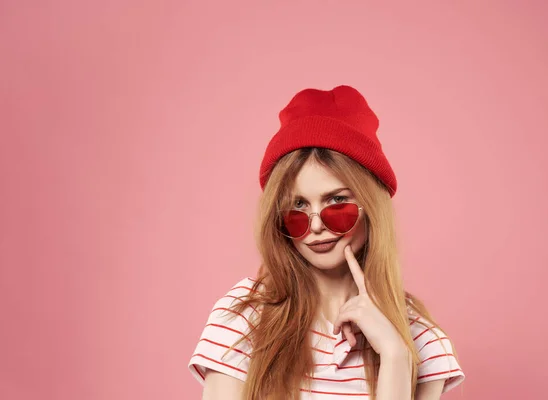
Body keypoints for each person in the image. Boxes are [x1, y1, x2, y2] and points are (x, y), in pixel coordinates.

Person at [187, 85, 466, 399]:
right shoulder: (243, 315)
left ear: (372, 208)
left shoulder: (421, 337)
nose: (316, 226)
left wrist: (395, 356)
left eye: (337, 201)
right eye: (299, 206)